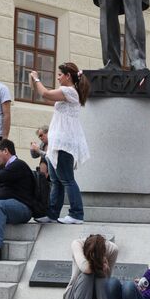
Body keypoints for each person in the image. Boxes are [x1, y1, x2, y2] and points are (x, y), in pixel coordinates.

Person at [30, 63, 90, 224]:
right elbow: (44, 95)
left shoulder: (69, 91)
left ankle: (77, 214)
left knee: (67, 179)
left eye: (59, 75)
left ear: (68, 76)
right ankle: (52, 214)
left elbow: (46, 92)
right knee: (56, 181)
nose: (57, 77)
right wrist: (33, 81)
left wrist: (36, 78)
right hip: (56, 144)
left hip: (64, 144)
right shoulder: (65, 95)